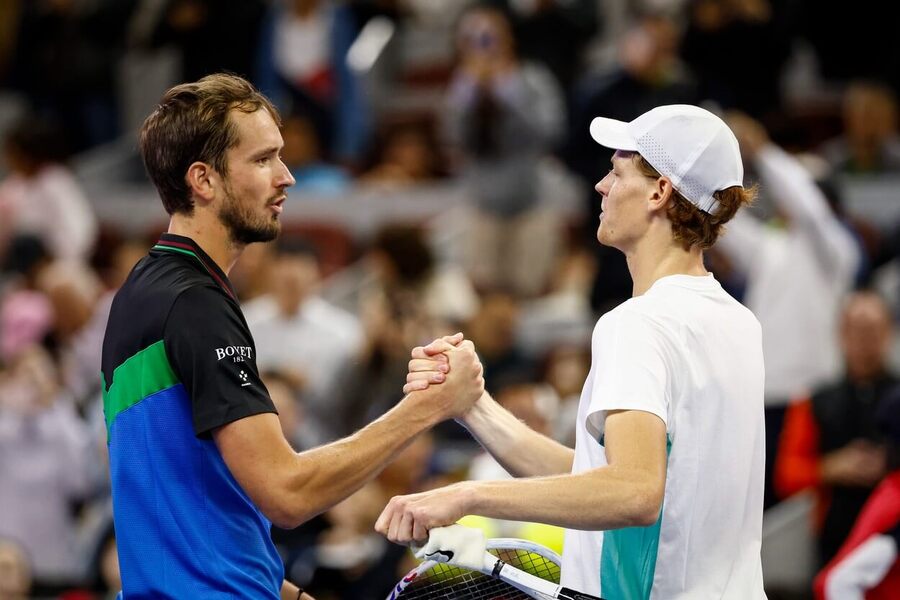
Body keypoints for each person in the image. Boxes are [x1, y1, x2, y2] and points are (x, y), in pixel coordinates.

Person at [100, 73, 484, 599]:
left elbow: (182, 497)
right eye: (262, 160)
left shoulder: (142, 292)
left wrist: (281, 590)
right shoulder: (197, 305)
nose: (287, 177)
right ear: (203, 181)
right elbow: (287, 492)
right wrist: (430, 405)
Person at [377, 105, 766, 599]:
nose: (602, 186)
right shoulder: (739, 323)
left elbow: (633, 492)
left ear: (659, 191)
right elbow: (599, 479)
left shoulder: (636, 324)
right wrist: (473, 406)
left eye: (617, 170)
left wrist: (467, 495)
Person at [776, 291, 895, 566]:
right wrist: (831, 468)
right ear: (841, 334)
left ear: (889, 331)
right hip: (836, 540)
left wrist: (889, 465)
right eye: (857, 330)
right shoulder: (814, 401)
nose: (865, 339)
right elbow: (786, 475)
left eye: (873, 329)